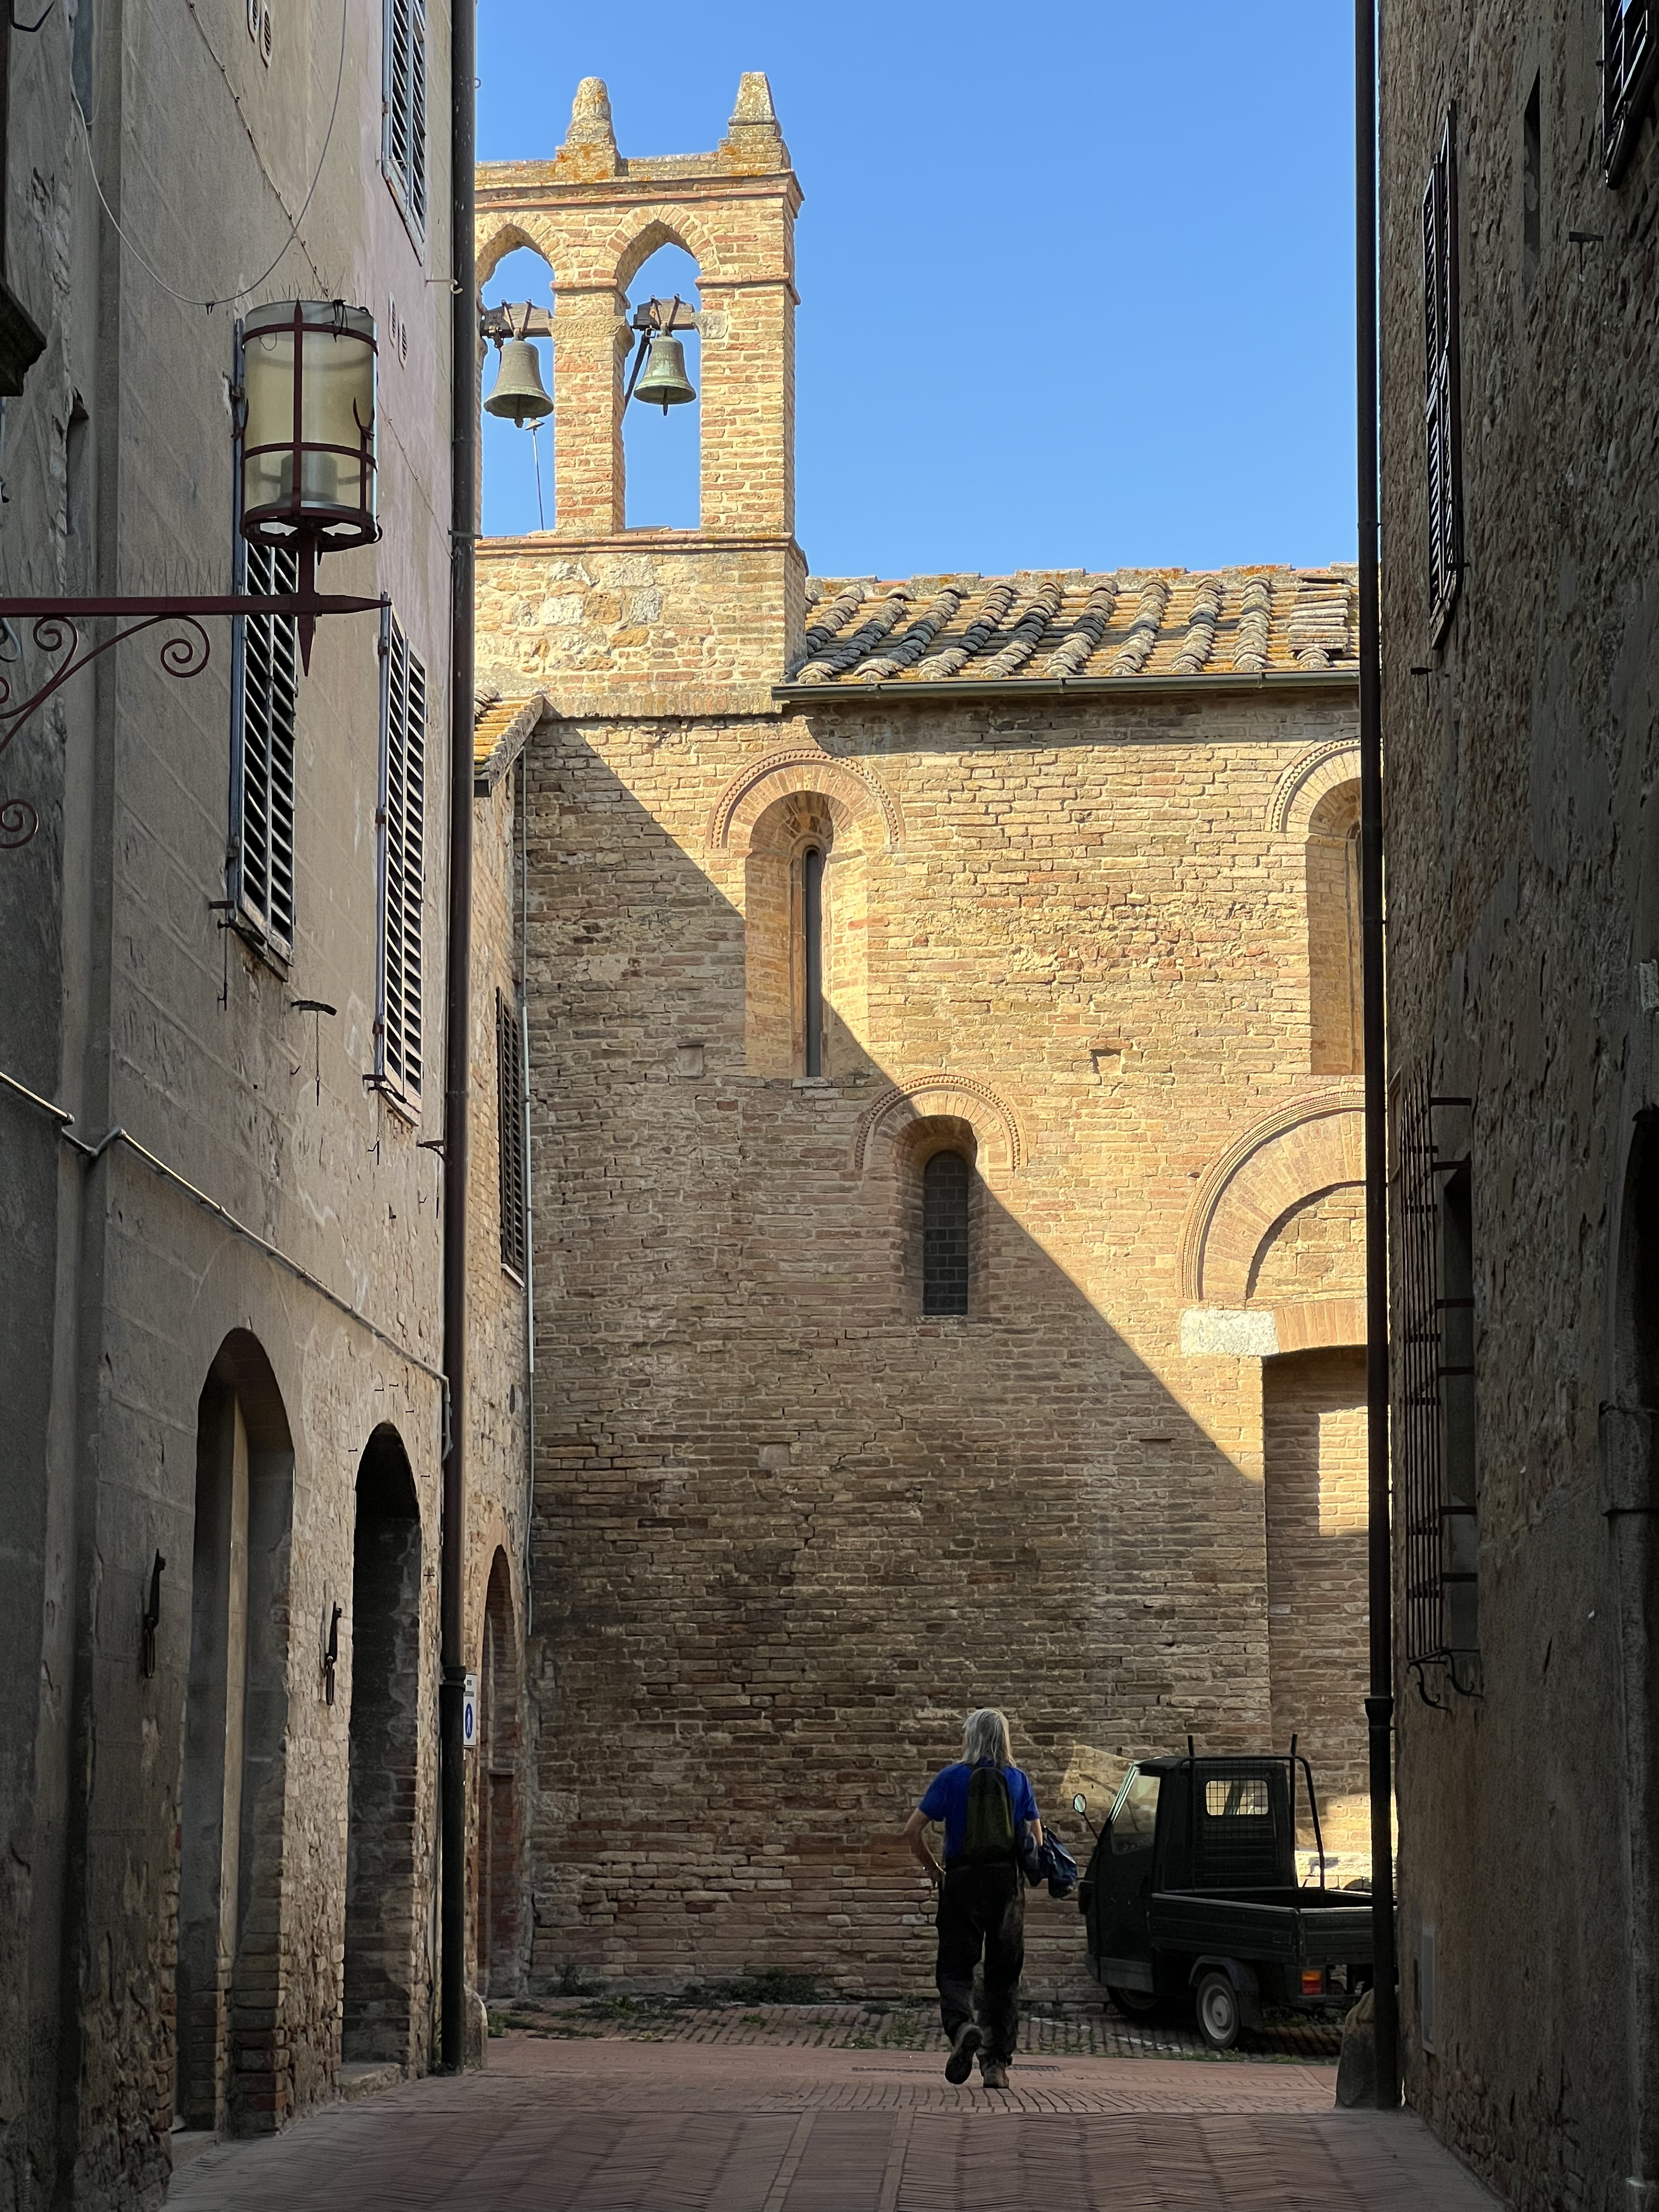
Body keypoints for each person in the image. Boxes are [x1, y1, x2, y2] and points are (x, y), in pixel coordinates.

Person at [901, 1707, 1042, 2090]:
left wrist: (935, 1870)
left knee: (954, 1967)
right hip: (1005, 1886)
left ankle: (963, 2025)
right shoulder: (1017, 1780)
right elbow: (1036, 1841)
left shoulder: (951, 1778)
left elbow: (913, 1831)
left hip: (962, 1880)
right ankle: (996, 2066)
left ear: (970, 1737)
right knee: (1002, 1975)